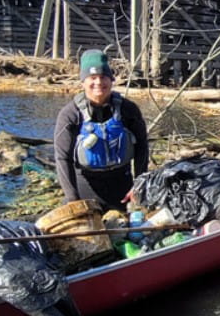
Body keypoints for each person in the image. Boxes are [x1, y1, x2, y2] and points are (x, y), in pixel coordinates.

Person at [54, 50, 149, 210]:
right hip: (85, 188)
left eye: (103, 77)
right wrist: (72, 199)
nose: (98, 82)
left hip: (122, 188)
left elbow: (142, 149)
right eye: (92, 78)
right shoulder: (70, 114)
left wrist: (138, 186)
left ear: (111, 80)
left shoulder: (128, 110)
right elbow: (62, 158)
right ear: (83, 82)